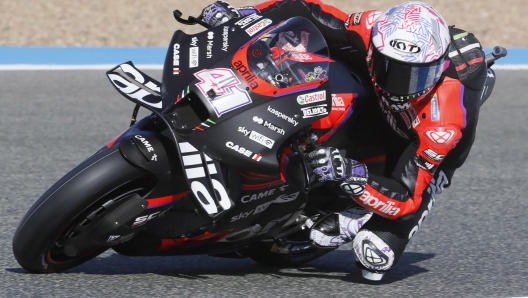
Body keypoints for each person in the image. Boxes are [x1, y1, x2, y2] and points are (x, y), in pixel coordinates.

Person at [200, 0, 489, 281]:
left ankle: (358, 215)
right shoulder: (373, 27)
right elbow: (303, 9)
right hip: (373, 93)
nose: (400, 86)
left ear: (437, 69)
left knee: (374, 258)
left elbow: (406, 198)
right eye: (391, 68)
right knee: (304, 53)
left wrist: (353, 174)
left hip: (418, 142)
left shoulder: (443, 126)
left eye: (416, 76)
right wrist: (244, 16)